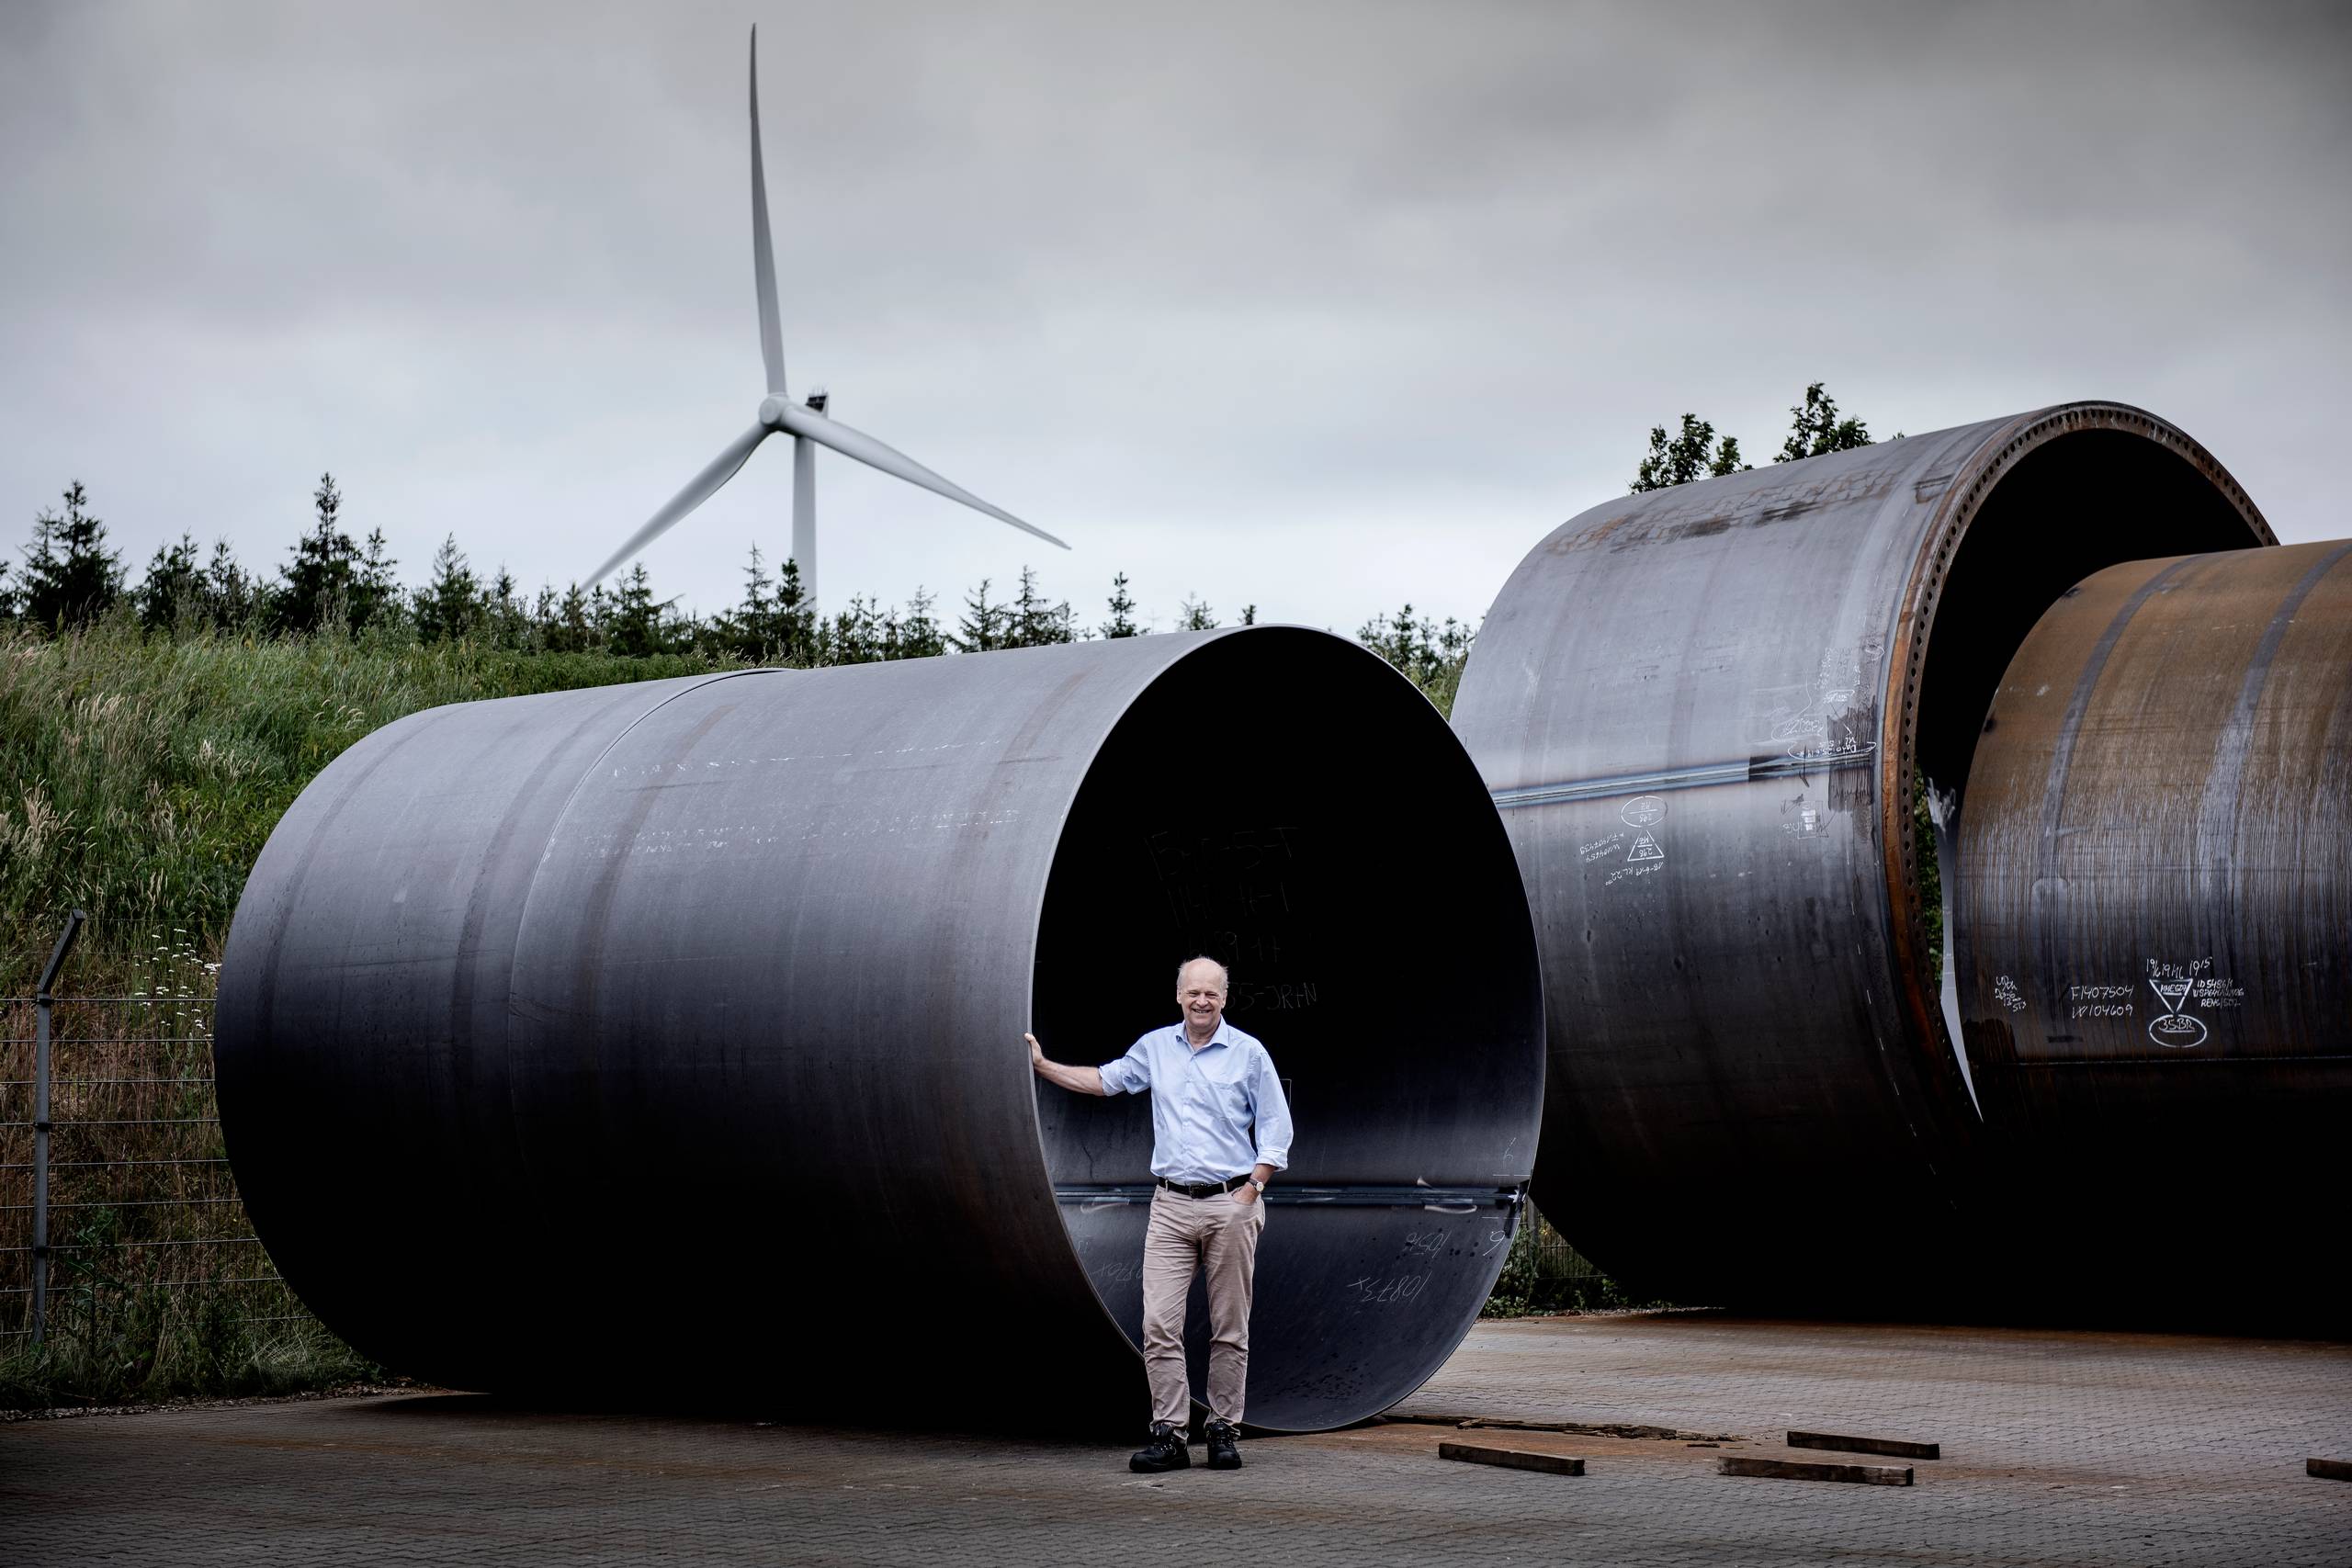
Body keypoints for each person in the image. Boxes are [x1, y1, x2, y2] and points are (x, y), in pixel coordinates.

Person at [1027, 955, 1294, 1472]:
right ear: (1178, 995)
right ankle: (1170, 1434)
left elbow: (1276, 1128)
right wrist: (1042, 1066)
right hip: (1170, 1205)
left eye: (1211, 994)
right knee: (1158, 1323)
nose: (1201, 1001)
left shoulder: (1248, 1054)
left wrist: (1251, 1190)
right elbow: (1106, 1081)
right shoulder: (1155, 1048)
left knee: (1229, 1326)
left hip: (1229, 1203)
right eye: (1193, 992)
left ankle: (1222, 1430)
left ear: (1224, 997)